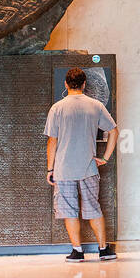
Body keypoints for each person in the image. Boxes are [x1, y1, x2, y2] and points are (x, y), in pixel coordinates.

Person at [45, 67, 118, 262]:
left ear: (66, 84)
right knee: (93, 209)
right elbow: (114, 131)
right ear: (84, 84)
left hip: (63, 169)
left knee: (69, 211)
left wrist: (50, 168)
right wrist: (105, 158)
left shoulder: (57, 108)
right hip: (89, 168)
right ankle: (103, 250)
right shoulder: (95, 106)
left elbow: (52, 141)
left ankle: (77, 251)